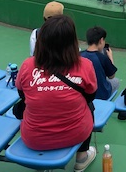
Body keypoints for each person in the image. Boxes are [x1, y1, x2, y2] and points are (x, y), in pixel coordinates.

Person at [16, 15, 98, 172]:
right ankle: (82, 157)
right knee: (89, 106)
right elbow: (90, 95)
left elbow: (22, 94)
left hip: (34, 139)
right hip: (76, 134)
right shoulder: (85, 65)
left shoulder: (27, 65)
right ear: (72, 42)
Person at [80, 26, 119, 100]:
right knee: (116, 81)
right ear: (101, 40)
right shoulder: (103, 58)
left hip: (84, 94)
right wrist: (110, 58)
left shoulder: (79, 55)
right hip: (101, 95)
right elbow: (112, 76)